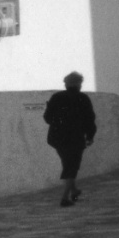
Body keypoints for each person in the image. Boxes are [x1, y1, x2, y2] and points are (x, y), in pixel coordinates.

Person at [45, 72, 97, 206]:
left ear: (66, 84)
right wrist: (90, 136)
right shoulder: (83, 98)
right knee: (72, 165)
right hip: (75, 137)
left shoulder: (56, 97)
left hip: (56, 137)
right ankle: (65, 197)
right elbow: (89, 119)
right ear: (79, 84)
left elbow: (47, 118)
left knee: (67, 162)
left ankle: (73, 191)